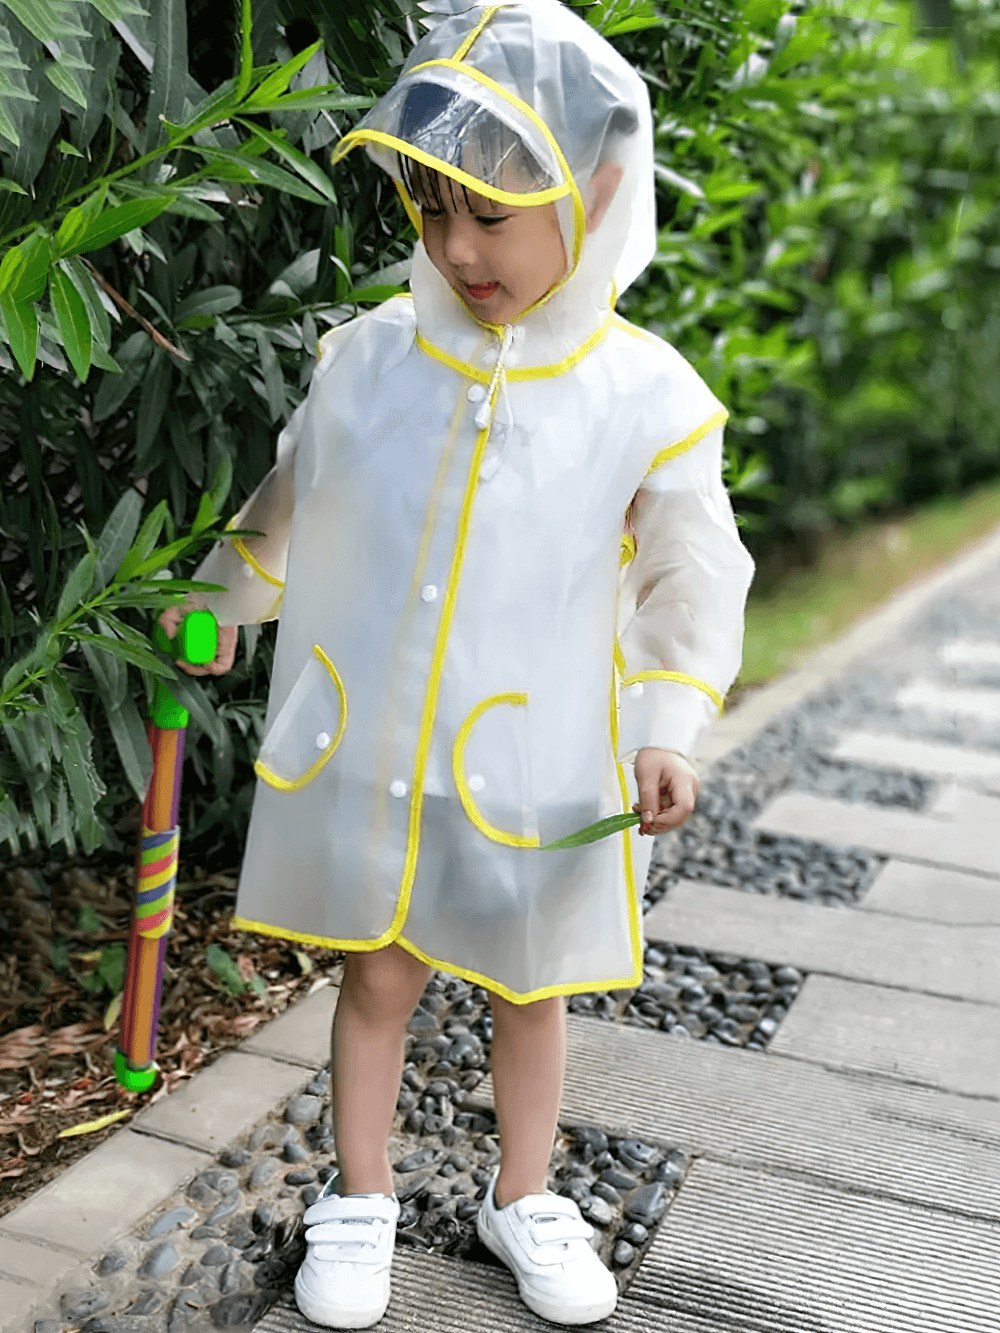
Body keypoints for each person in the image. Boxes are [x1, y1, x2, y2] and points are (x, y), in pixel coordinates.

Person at [161, 1, 754, 1326]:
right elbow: (294, 501)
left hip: (537, 758)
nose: (457, 247)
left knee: (531, 985)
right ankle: (361, 1194)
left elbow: (690, 571)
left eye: (491, 213)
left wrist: (667, 722)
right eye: (432, 211)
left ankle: (522, 1192)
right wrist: (224, 604)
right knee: (378, 974)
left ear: (598, 192)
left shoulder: (643, 396)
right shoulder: (374, 358)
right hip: (385, 745)